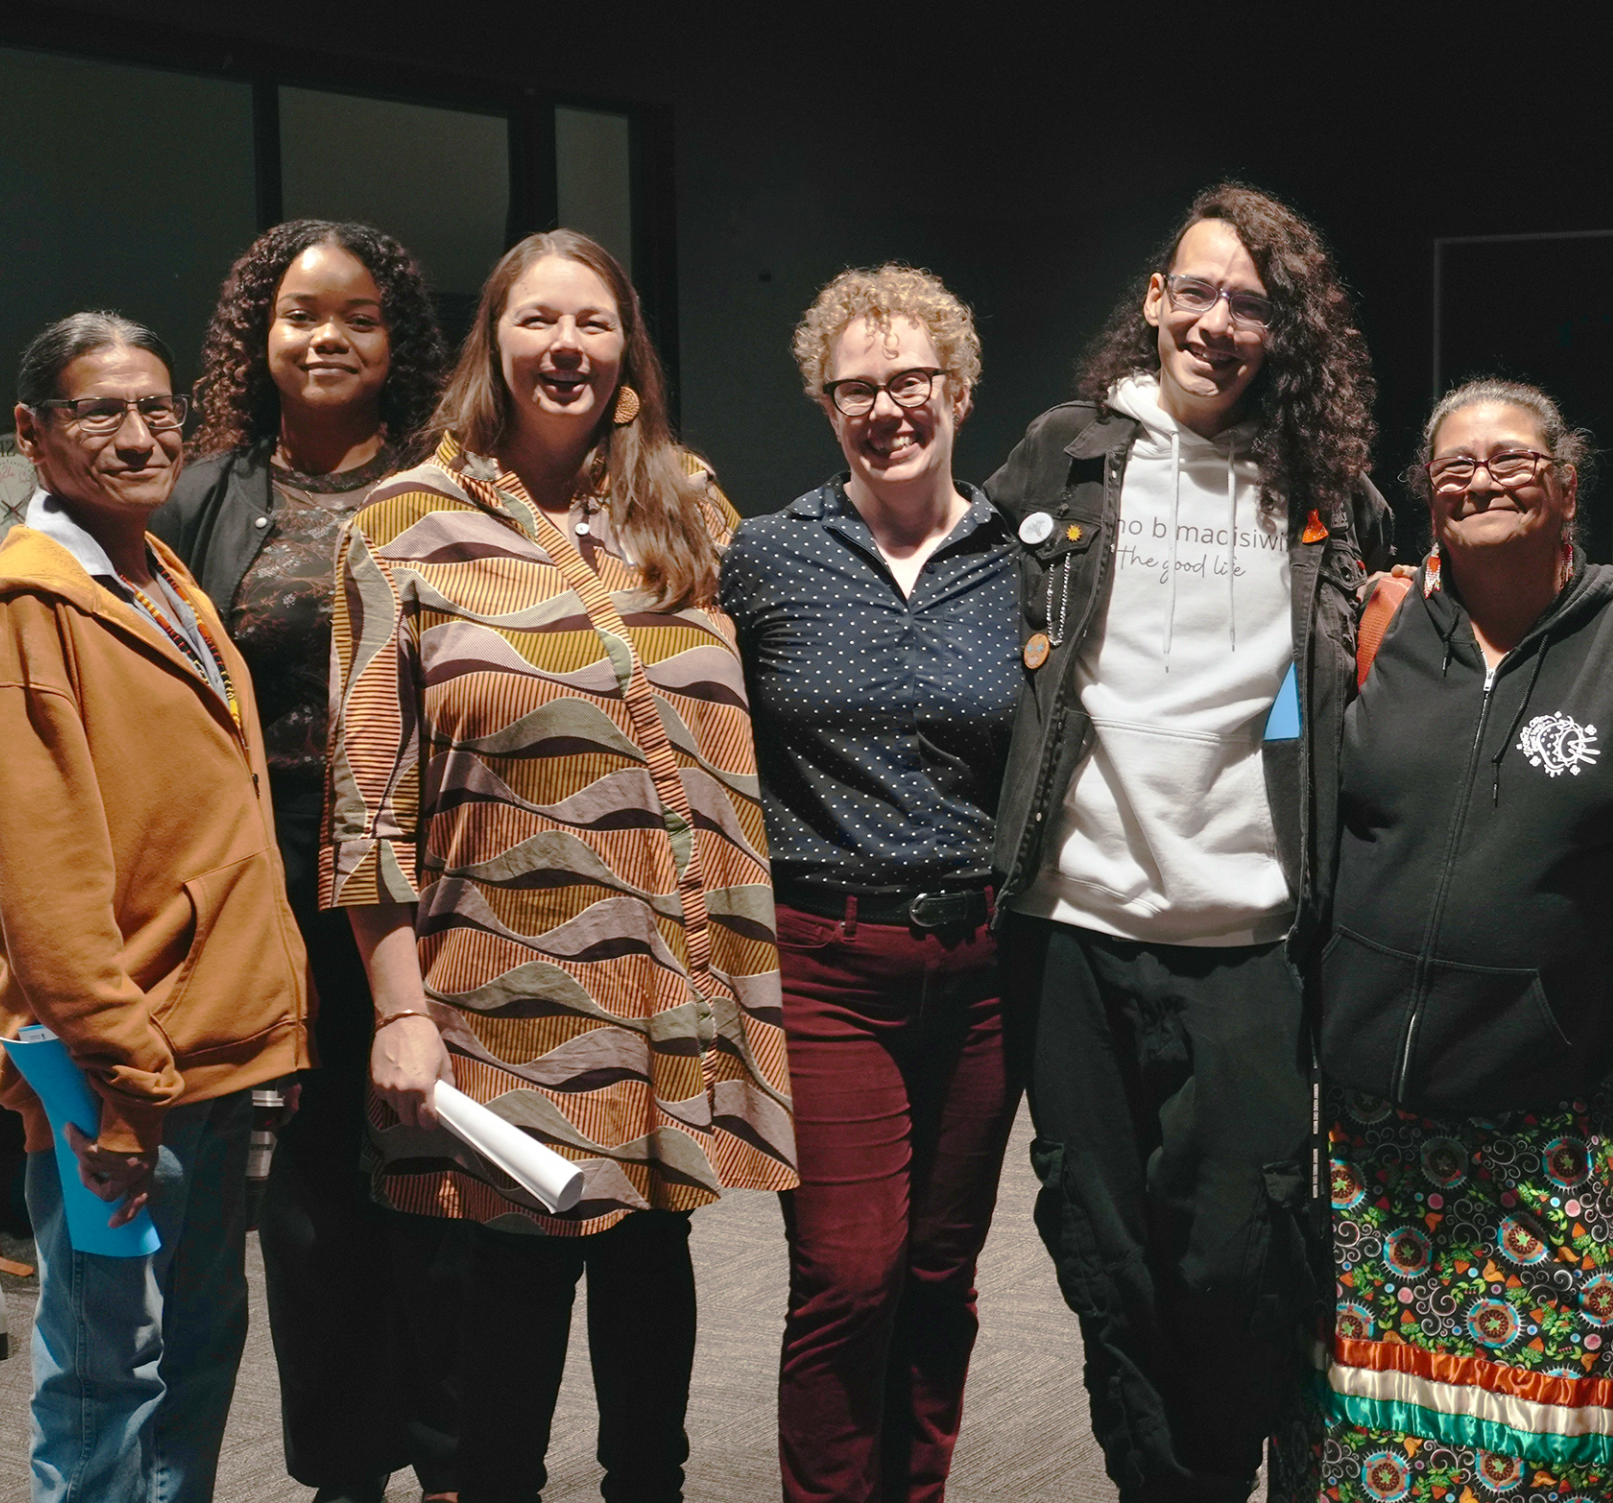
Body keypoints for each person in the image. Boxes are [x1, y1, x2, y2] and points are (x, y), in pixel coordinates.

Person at [322, 229, 795, 1503]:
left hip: (668, 986)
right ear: (495, 342)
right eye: (538, 321)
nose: (566, 347)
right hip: (496, 1000)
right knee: (502, 1353)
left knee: (654, 1294)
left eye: (592, 322)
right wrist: (399, 1010)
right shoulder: (404, 522)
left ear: (627, 346)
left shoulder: (692, 505)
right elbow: (367, 796)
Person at [986, 182, 1391, 1502]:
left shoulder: (1330, 495)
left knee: (1233, 1250)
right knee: (1105, 1254)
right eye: (1199, 291)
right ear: (1156, 300)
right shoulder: (1067, 453)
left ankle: (1227, 1459)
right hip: (1075, 925)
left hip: (1247, 934)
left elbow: (1349, 692)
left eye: (1252, 305)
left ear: (1286, 333)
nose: (1219, 324)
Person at [0, 311, 311, 1503]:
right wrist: (121, 1081)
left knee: (195, 1355)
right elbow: (40, 887)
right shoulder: (20, 614)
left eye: (160, 409)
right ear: (34, 435)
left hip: (202, 1053)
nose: (141, 434)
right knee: (106, 1378)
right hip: (113, 1073)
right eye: (103, 411)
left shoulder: (161, 580)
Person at [1287, 380, 1613, 1502]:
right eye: (1454, 465)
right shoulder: (1386, 624)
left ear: (1565, 483)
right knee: (1372, 1409)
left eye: (1511, 458)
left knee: (1553, 1414)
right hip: (1373, 1115)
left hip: (1539, 1108)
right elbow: (1286, 757)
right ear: (1426, 495)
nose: (1482, 478)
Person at [150, 217, 462, 1503]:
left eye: (358, 316)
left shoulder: (455, 480)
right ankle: (343, 1469)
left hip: (434, 881)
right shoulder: (200, 497)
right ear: (259, 336)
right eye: (300, 314)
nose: (327, 335)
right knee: (316, 1190)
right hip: (269, 892)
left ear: (399, 344)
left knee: (444, 1177)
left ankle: (458, 1457)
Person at [722, 265, 1021, 1503]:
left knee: (941, 1271)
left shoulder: (1025, 557)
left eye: (910, 382)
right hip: (825, 957)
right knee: (849, 1271)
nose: (888, 408)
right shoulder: (764, 559)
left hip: (989, 967)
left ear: (956, 386)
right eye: (857, 389)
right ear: (823, 403)